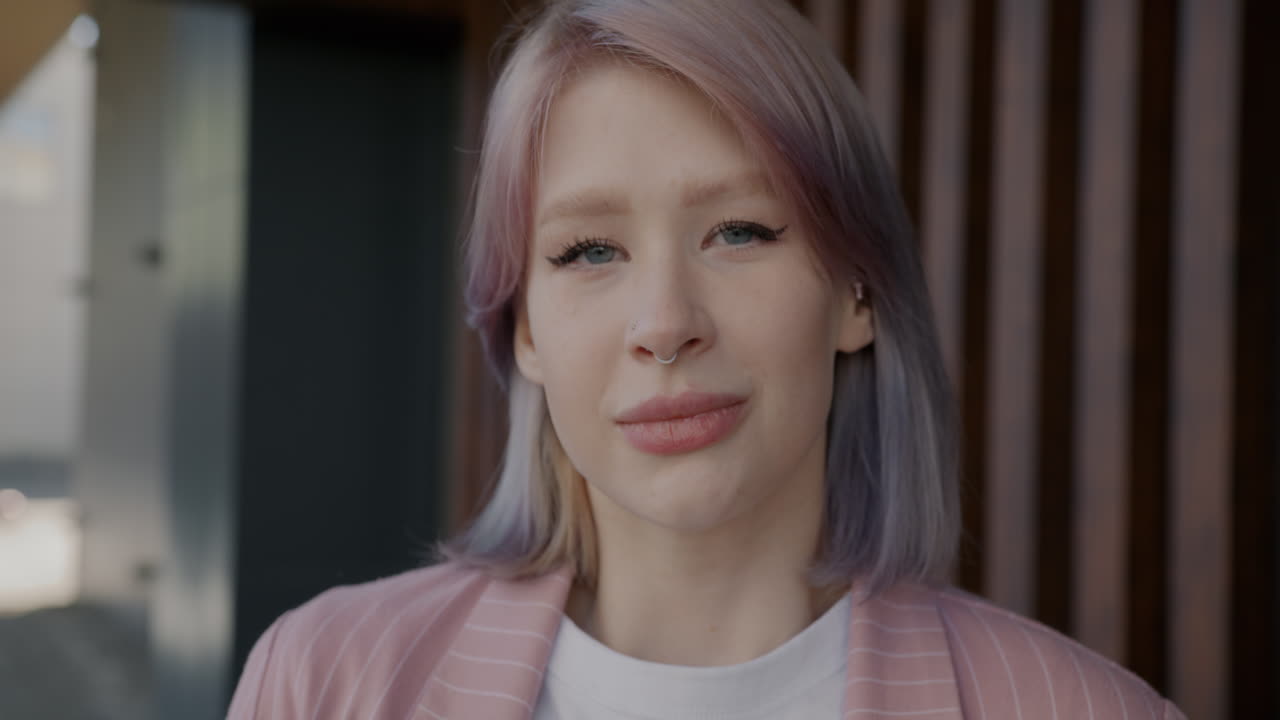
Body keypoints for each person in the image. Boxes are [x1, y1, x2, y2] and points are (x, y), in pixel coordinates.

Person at [227, 1, 1186, 718]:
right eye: (588, 251)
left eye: (737, 231)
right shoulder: (328, 679)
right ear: (526, 331)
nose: (665, 322)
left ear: (856, 290)